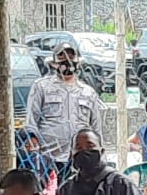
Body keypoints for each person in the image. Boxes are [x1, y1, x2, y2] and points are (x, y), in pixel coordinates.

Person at [26, 43, 105, 186]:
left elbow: (95, 127)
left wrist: (98, 154)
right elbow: (32, 119)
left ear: (78, 61)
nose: (67, 60)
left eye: (71, 55)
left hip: (78, 157)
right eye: (62, 56)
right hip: (48, 156)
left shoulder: (88, 92)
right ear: (54, 62)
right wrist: (32, 139)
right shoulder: (41, 87)